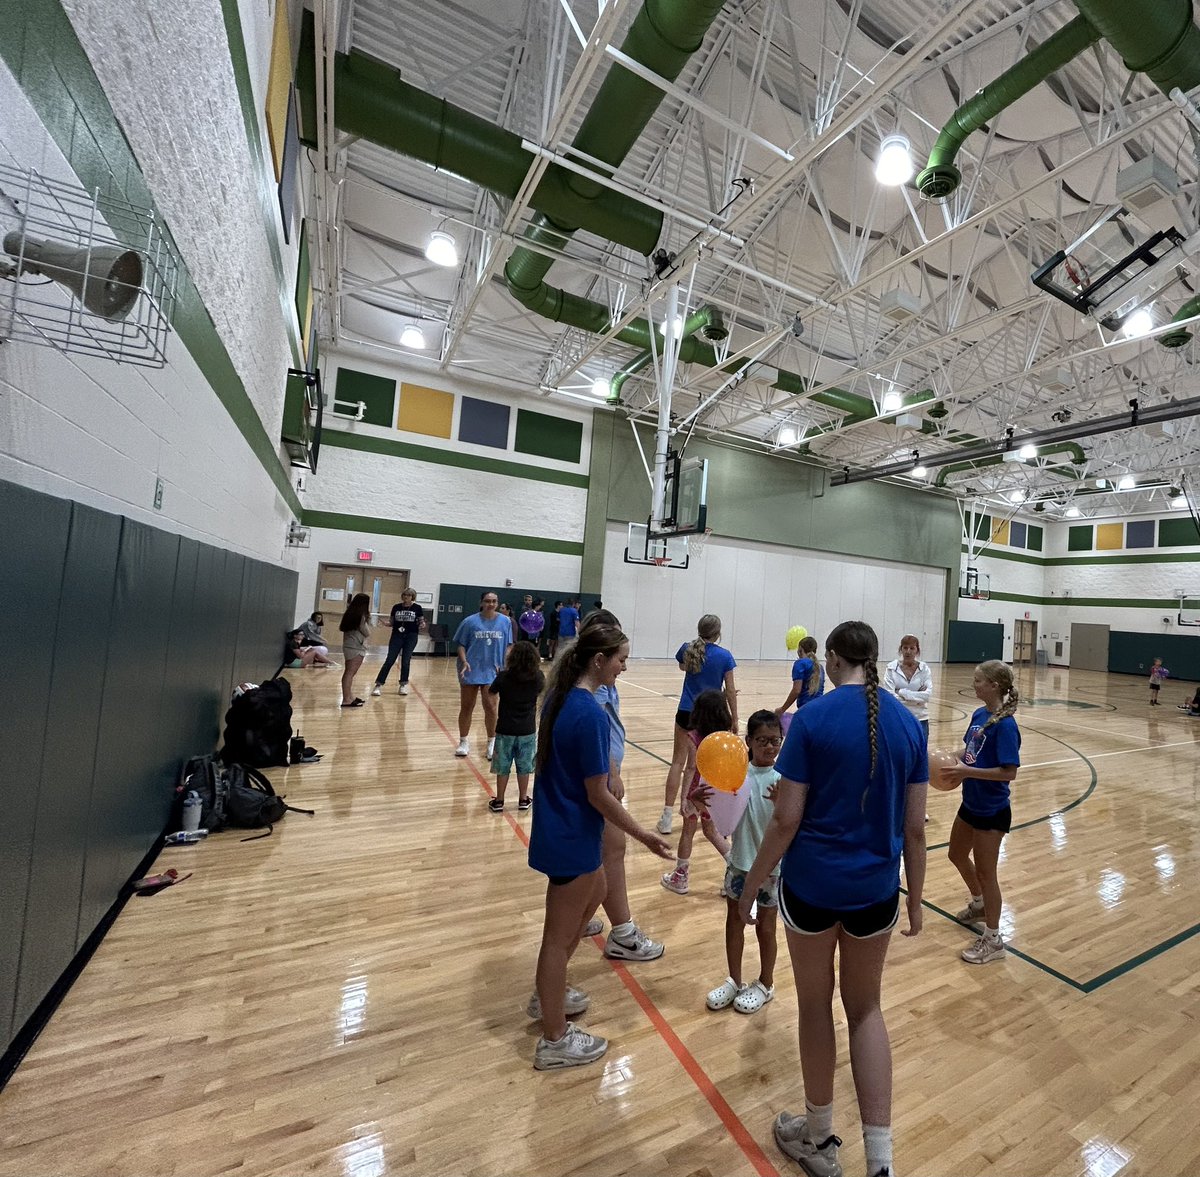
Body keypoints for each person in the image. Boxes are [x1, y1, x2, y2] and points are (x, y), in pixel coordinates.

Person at [739, 620, 927, 1177]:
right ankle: (880, 1162)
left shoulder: (812, 719)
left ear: (837, 659)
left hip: (812, 890)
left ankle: (819, 1140)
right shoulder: (907, 724)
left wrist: (752, 882)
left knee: (816, 1006)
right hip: (876, 893)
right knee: (866, 1009)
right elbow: (915, 831)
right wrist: (915, 900)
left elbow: (786, 819)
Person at [526, 622, 673, 1070]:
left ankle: (550, 995)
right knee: (557, 939)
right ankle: (553, 1038)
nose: (623, 667)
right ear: (598, 661)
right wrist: (644, 834)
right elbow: (600, 794)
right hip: (569, 835)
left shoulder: (561, 699)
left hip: (569, 830)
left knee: (594, 895)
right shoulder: (587, 712)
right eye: (620, 659)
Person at [578, 608, 665, 962]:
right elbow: (596, 729)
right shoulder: (588, 693)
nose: (624, 665)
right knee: (613, 850)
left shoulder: (598, 684)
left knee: (597, 853)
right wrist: (612, 772)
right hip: (598, 777)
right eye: (619, 656)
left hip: (597, 774)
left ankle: (579, 913)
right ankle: (623, 934)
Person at [704, 710, 783, 1016]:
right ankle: (734, 980)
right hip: (739, 863)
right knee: (734, 922)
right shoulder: (735, 776)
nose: (769, 746)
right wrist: (702, 800)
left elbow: (791, 824)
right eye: (762, 740)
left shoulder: (782, 781)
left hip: (771, 870)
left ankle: (766, 983)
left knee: (766, 928)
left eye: (775, 740)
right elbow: (721, 816)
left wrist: (780, 804)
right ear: (748, 741)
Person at [944, 659, 1021, 964]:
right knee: (956, 854)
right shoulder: (979, 715)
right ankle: (979, 904)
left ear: (994, 686)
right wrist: (953, 758)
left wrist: (967, 772)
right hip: (970, 803)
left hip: (992, 810)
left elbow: (1008, 772)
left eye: (978, 680)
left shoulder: (1006, 725)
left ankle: (993, 939)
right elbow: (970, 751)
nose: (973, 684)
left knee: (988, 873)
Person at [658, 614, 738, 835]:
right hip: (711, 715)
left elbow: (685, 667)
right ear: (718, 633)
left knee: (678, 762)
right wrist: (734, 716)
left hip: (685, 711)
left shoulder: (687, 648)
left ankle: (666, 816)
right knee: (710, 767)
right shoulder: (725, 656)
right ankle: (713, 816)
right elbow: (730, 689)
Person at [660, 690, 736, 896]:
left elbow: (691, 768)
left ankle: (680, 877)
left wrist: (685, 796)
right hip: (717, 791)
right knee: (711, 832)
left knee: (688, 831)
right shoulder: (725, 736)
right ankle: (736, 871)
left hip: (698, 792)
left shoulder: (694, 736)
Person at [452, 590, 512, 759]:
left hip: (492, 671)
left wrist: (505, 662)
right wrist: (464, 661)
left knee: (491, 707)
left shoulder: (505, 621)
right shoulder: (469, 622)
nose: (491, 604)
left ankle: (491, 742)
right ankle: (463, 741)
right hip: (470, 669)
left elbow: (508, 645)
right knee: (467, 706)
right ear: (481, 603)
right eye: (487, 601)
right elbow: (461, 645)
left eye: (494, 601)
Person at [487, 640, 544, 812]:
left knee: (502, 767)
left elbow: (491, 694)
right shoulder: (538, 677)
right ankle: (523, 799)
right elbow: (543, 692)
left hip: (505, 728)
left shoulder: (504, 676)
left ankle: (499, 800)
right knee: (524, 766)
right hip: (527, 730)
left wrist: (494, 709)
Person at [371, 588, 425, 697]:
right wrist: (386, 623)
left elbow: (421, 621)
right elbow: (392, 622)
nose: (406, 597)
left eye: (409, 595)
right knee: (390, 659)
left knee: (406, 661)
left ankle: (403, 684)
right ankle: (378, 684)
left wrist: (422, 624)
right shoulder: (396, 607)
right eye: (404, 595)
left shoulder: (417, 608)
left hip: (411, 636)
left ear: (412, 597)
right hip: (397, 635)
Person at [883, 634, 933, 740]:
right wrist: (917, 697)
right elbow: (890, 697)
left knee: (921, 752)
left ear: (917, 650)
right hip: (899, 717)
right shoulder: (891, 669)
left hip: (921, 718)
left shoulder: (924, 669)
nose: (908, 651)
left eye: (912, 648)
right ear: (901, 649)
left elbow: (927, 696)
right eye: (905, 648)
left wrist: (901, 692)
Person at [776, 635, 825, 718]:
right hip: (820, 710)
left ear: (800, 649)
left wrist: (782, 709)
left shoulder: (800, 663)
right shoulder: (820, 667)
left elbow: (796, 690)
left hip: (805, 710)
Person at [338, 594, 373, 708]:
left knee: (349, 672)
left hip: (349, 645)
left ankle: (349, 696)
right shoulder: (360, 617)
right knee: (349, 673)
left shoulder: (350, 614)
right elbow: (367, 632)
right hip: (356, 647)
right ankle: (346, 699)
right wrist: (368, 619)